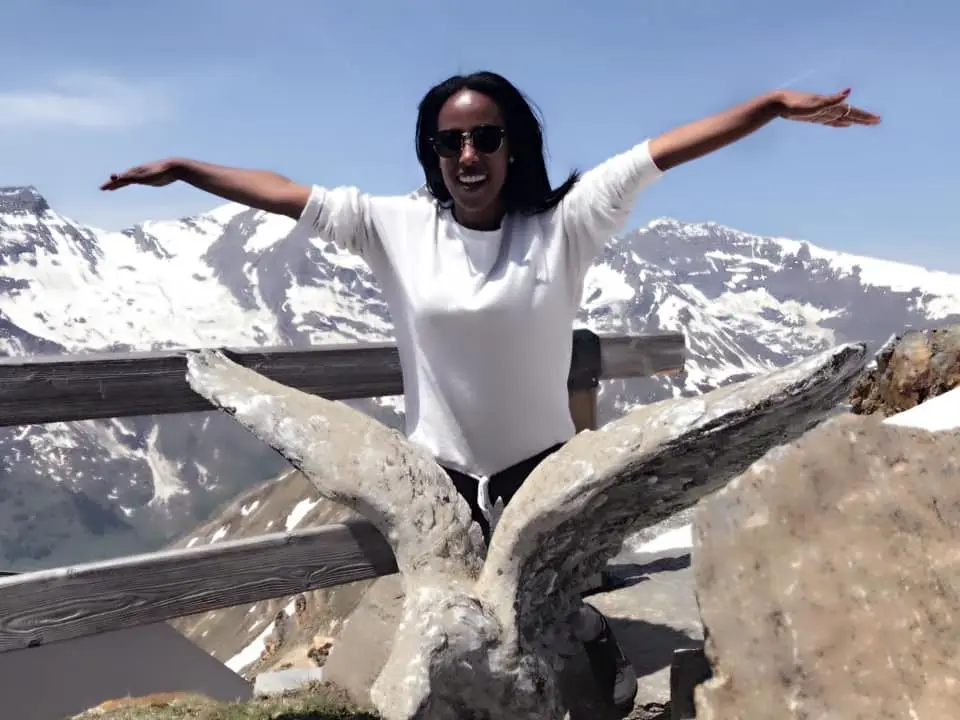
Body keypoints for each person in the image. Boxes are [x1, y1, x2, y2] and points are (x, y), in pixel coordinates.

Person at [100, 71, 880, 711]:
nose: (468, 154)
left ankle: (587, 637)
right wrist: (186, 170)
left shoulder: (566, 223)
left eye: (485, 137)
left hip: (541, 477)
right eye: (450, 141)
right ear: (432, 152)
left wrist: (770, 107)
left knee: (542, 632)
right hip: (435, 483)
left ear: (514, 146)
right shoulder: (394, 226)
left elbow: (663, 152)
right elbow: (282, 191)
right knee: (453, 647)